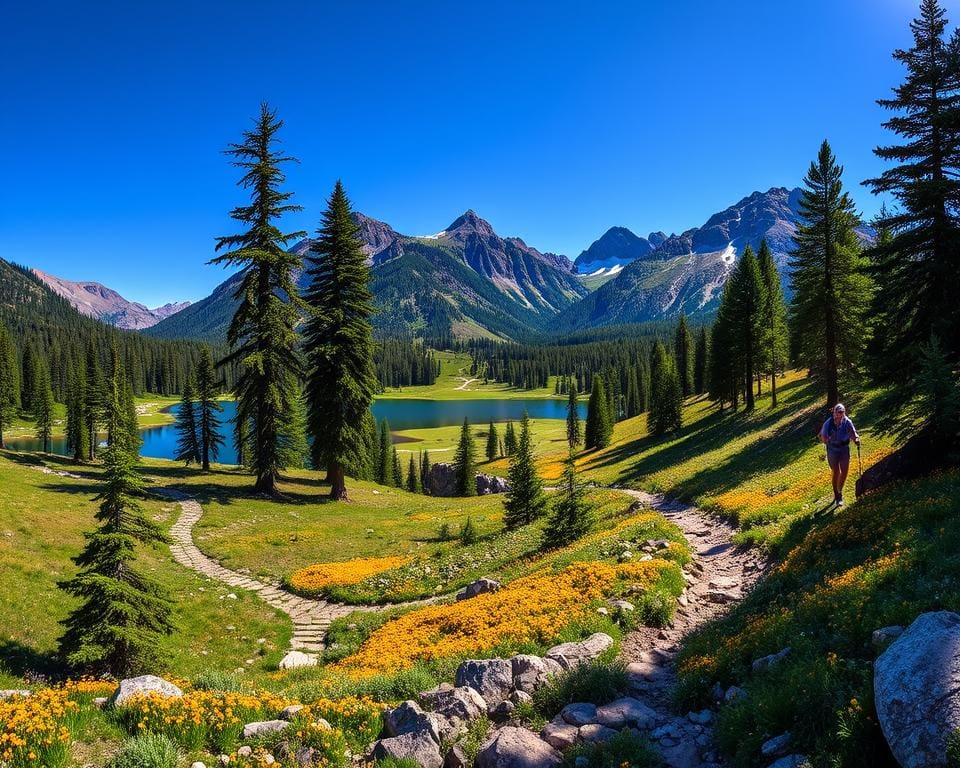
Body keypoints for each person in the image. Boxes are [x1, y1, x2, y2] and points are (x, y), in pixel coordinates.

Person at [820, 403, 860, 506]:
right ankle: (837, 495)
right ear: (835, 413)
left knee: (845, 471)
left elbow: (853, 433)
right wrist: (825, 439)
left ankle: (839, 490)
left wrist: (856, 439)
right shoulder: (828, 423)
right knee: (836, 471)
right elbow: (823, 436)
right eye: (839, 412)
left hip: (844, 449)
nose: (841, 414)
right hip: (832, 449)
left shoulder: (847, 422)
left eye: (842, 412)